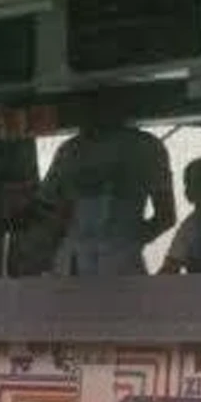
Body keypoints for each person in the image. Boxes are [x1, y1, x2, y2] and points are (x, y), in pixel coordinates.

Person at [36, 89, 176, 276]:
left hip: (122, 265)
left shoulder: (145, 146)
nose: (86, 114)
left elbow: (166, 216)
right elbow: (49, 208)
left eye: (94, 106)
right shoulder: (70, 150)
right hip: (72, 264)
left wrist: (127, 244)